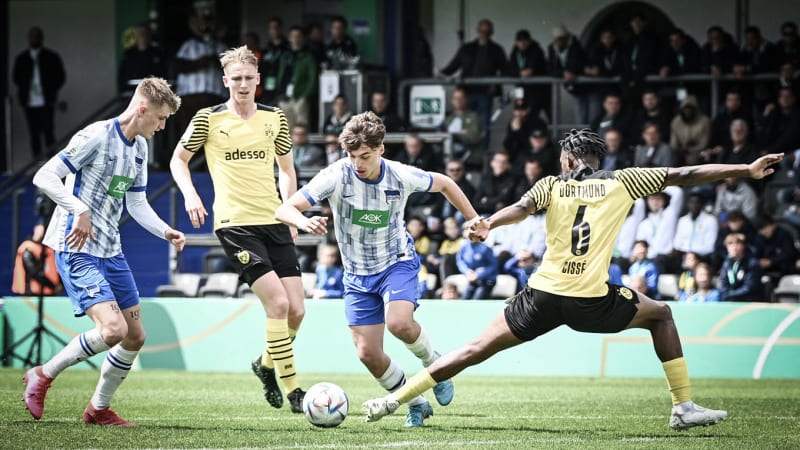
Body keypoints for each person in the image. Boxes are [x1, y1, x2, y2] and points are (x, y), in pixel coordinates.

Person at [362, 129, 782, 430]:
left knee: (473, 350)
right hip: (591, 301)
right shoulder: (626, 180)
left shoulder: (552, 185)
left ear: (567, 160)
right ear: (600, 159)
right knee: (661, 315)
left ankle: (391, 400)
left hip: (541, 296)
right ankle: (683, 406)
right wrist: (746, 168)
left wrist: (487, 223)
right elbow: (685, 175)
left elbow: (522, 208)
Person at [274, 111, 482, 427]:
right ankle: (416, 403)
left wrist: (472, 218)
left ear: (381, 149)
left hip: (396, 262)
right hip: (356, 275)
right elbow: (284, 207)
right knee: (368, 354)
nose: (358, 162)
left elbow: (445, 183)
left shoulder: (400, 175)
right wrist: (303, 220)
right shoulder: (336, 175)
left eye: (365, 156)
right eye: (352, 155)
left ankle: (435, 365)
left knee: (399, 323)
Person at [23, 77, 185, 426]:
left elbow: (136, 202)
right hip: (76, 246)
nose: (162, 126)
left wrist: (164, 231)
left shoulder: (140, 147)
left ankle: (98, 409)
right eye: (160, 118)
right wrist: (78, 209)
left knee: (135, 335)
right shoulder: (95, 136)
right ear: (142, 109)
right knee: (113, 330)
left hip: (111, 249)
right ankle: (42, 375)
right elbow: (44, 176)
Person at [169, 46, 306, 413]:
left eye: (249, 78)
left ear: (258, 79)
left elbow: (288, 172)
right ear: (225, 81)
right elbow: (178, 160)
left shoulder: (274, 118)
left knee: (297, 312)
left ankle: (264, 366)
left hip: (274, 220)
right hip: (235, 224)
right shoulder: (208, 119)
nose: (243, 84)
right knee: (277, 304)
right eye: (237, 78)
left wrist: (290, 213)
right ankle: (294, 390)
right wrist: (190, 196)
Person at [12, 26, 66, 161]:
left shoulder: (51, 57)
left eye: (37, 36)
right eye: (32, 36)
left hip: (47, 100)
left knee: (48, 131)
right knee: (34, 133)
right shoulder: (22, 58)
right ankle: (36, 162)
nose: (34, 38)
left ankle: (52, 163)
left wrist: (51, 91)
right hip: (29, 101)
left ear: (41, 38)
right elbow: (16, 78)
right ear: (28, 38)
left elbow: (60, 76)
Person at [276, 26, 318, 130]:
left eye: (298, 36)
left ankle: (301, 147)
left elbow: (313, 79)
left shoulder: (308, 57)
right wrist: (279, 92)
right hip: (285, 97)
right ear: (289, 38)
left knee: (301, 126)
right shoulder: (285, 56)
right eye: (293, 36)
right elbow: (280, 75)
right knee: (286, 128)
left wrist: (305, 96)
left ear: (303, 38)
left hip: (300, 97)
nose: (296, 39)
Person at [12, 224, 62, 296]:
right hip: (32, 293)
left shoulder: (48, 249)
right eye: (39, 230)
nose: (40, 233)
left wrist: (59, 285)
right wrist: (52, 285)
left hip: (50, 293)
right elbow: (33, 271)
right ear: (35, 229)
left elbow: (57, 269)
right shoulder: (28, 248)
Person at [118, 23, 168, 92]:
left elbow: (164, 75)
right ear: (136, 35)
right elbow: (122, 77)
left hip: (153, 94)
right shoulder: (128, 54)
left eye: (145, 33)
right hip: (132, 93)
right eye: (140, 33)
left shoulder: (158, 53)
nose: (143, 35)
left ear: (149, 34)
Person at [718, 233, 763, 301]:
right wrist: (726, 294)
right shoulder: (726, 263)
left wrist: (730, 294)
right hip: (731, 299)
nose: (734, 246)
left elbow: (749, 288)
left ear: (743, 246)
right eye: (730, 244)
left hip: (748, 300)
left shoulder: (752, 263)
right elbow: (724, 282)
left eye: (737, 243)